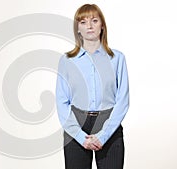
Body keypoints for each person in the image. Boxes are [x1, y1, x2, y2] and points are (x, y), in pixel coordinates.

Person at [56, 4, 129, 169]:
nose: (89, 26)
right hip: (76, 124)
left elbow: (122, 101)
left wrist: (103, 136)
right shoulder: (67, 61)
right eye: (83, 22)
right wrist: (81, 137)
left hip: (109, 122)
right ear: (78, 29)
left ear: (102, 26)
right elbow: (62, 102)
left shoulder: (117, 59)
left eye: (94, 20)